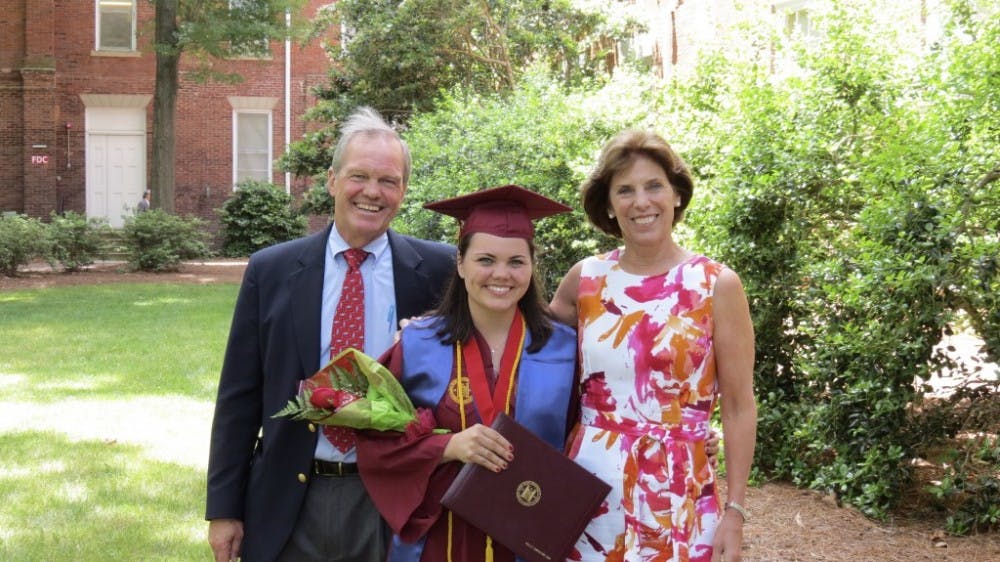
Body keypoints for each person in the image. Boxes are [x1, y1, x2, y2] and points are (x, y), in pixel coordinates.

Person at [205, 106, 456, 562]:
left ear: (403, 190)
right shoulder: (271, 270)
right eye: (359, 176)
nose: (372, 192)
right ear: (332, 180)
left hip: (392, 501)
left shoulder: (439, 271)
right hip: (289, 500)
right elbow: (239, 395)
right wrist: (224, 509)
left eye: (389, 181)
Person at [549, 129, 757, 562]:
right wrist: (432, 326)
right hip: (591, 490)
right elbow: (526, 346)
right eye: (625, 190)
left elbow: (739, 406)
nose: (641, 202)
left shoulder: (715, 285)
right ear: (609, 204)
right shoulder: (585, 280)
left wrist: (734, 513)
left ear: (676, 195)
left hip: (679, 491)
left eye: (654, 186)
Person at [356, 184, 579, 562]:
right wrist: (447, 447)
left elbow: (589, 435)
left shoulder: (565, 348)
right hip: (441, 538)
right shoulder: (418, 344)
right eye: (485, 260)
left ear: (532, 266)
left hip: (530, 536)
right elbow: (377, 441)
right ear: (460, 263)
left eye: (516, 261)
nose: (501, 274)